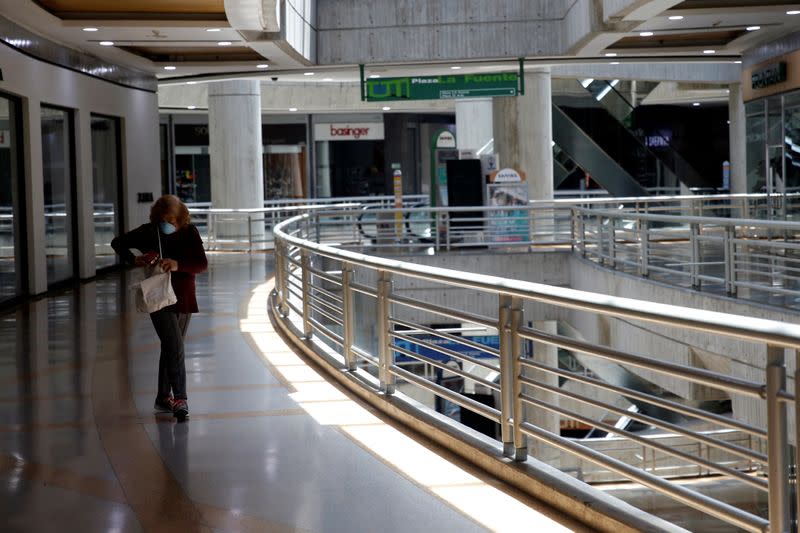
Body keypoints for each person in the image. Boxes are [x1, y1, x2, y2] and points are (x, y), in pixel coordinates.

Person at [111, 195, 208, 420]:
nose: (168, 225)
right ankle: (180, 399)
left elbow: (201, 263)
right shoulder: (148, 231)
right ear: (157, 218)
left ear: (181, 218)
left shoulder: (189, 231)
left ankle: (163, 397)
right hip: (157, 296)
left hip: (183, 296)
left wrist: (178, 264)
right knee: (175, 346)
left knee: (171, 346)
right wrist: (135, 260)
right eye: (164, 220)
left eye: (172, 220)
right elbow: (118, 242)